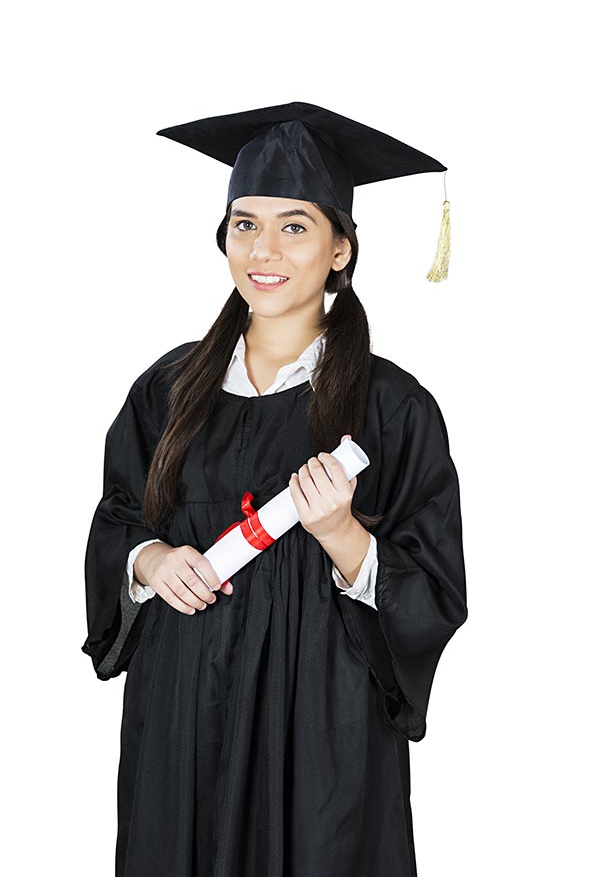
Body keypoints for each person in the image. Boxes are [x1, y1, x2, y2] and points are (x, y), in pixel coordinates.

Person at [81, 101, 468, 877]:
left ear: (340, 250)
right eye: (244, 224)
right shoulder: (167, 390)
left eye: (294, 226)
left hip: (323, 734)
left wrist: (343, 537)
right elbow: (116, 518)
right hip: (183, 723)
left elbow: (436, 594)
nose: (264, 249)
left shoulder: (392, 409)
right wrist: (150, 560)